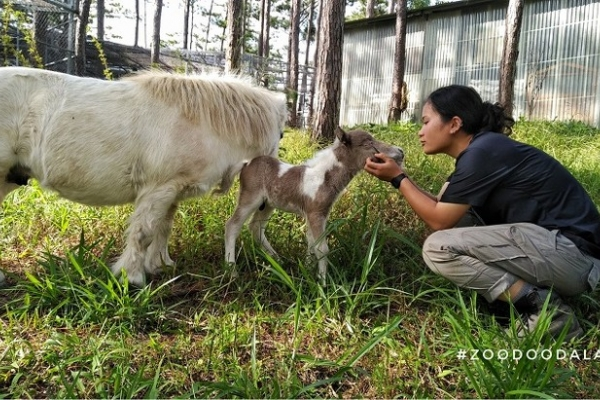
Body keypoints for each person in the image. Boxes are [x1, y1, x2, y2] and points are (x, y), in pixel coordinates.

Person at [364, 85, 600, 341]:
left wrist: (399, 179)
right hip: (561, 253)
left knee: (437, 248)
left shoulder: (483, 152)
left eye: (426, 121)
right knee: (459, 222)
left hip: (574, 256)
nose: (420, 132)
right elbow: (442, 207)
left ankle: (548, 312)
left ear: (454, 124)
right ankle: (510, 301)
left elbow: (438, 220)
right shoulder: (481, 151)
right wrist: (399, 178)